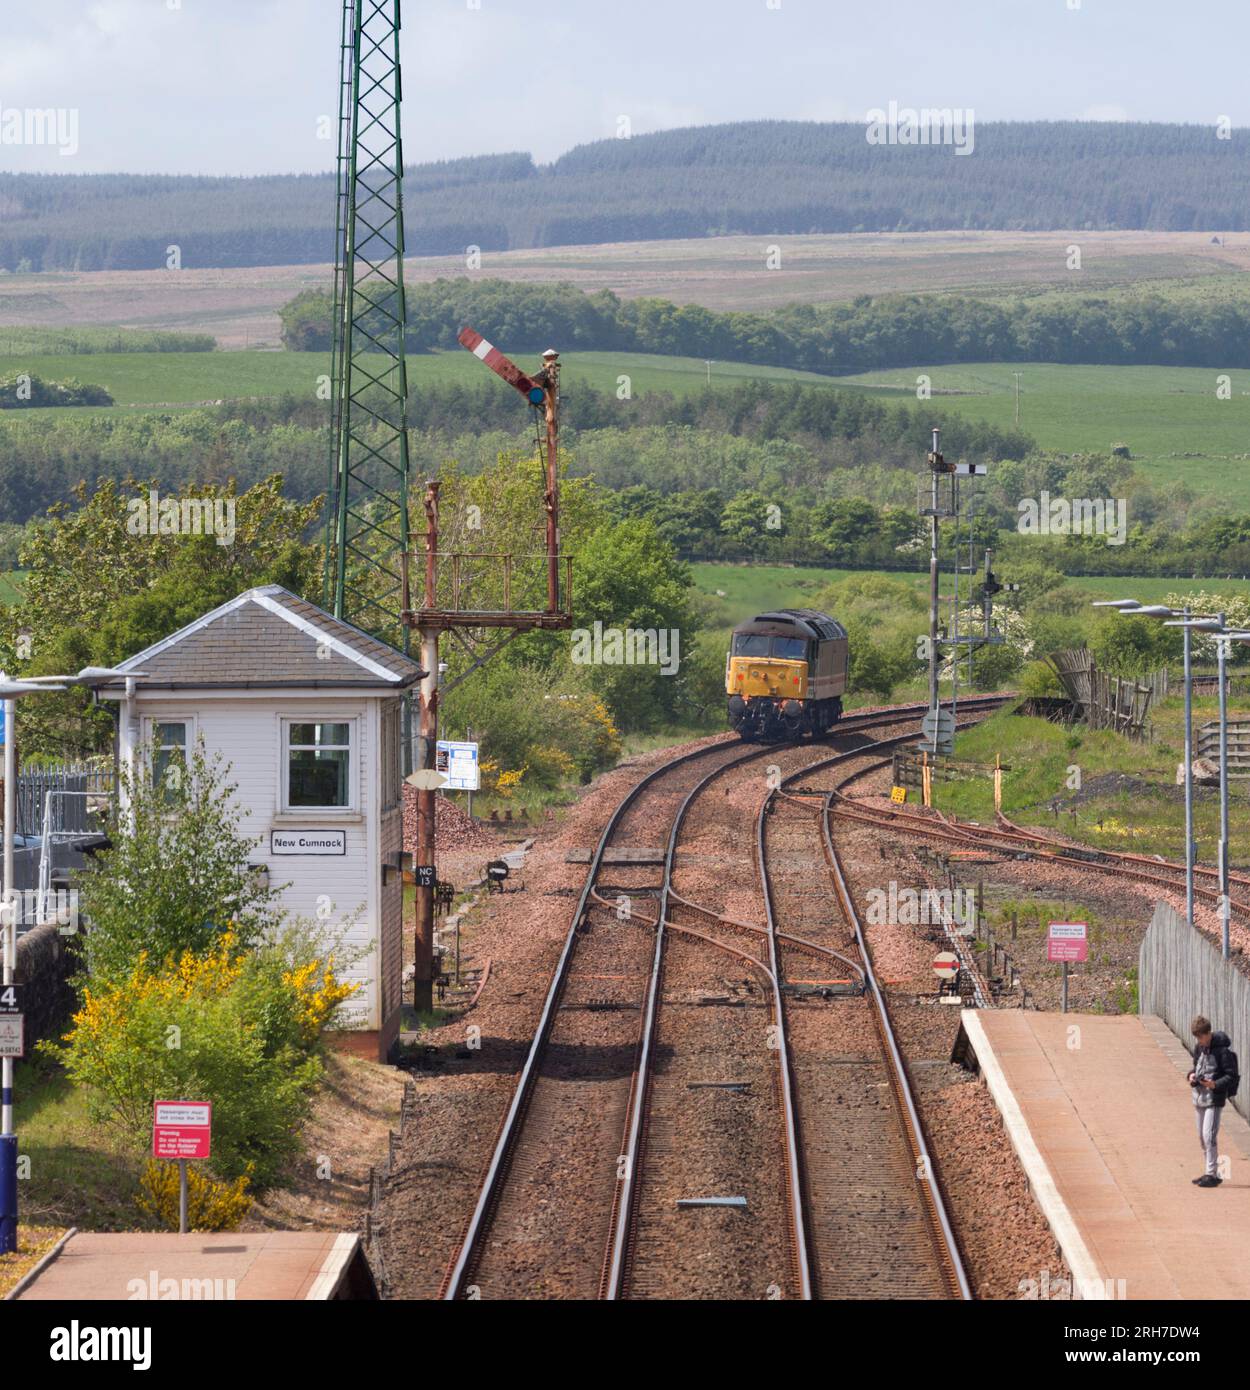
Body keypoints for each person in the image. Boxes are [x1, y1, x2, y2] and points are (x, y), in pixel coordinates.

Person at [1187, 1016, 1239, 1187]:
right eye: (1197, 1038)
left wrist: (1214, 1084)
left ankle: (1212, 1174)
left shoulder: (1222, 1052)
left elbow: (1231, 1076)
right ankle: (1210, 1171)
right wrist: (1192, 1076)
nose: (1200, 1041)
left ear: (1208, 1034)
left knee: (1209, 1135)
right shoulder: (1199, 1048)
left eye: (1201, 1037)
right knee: (1202, 1137)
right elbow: (1196, 1067)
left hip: (1214, 1098)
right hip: (1199, 1096)